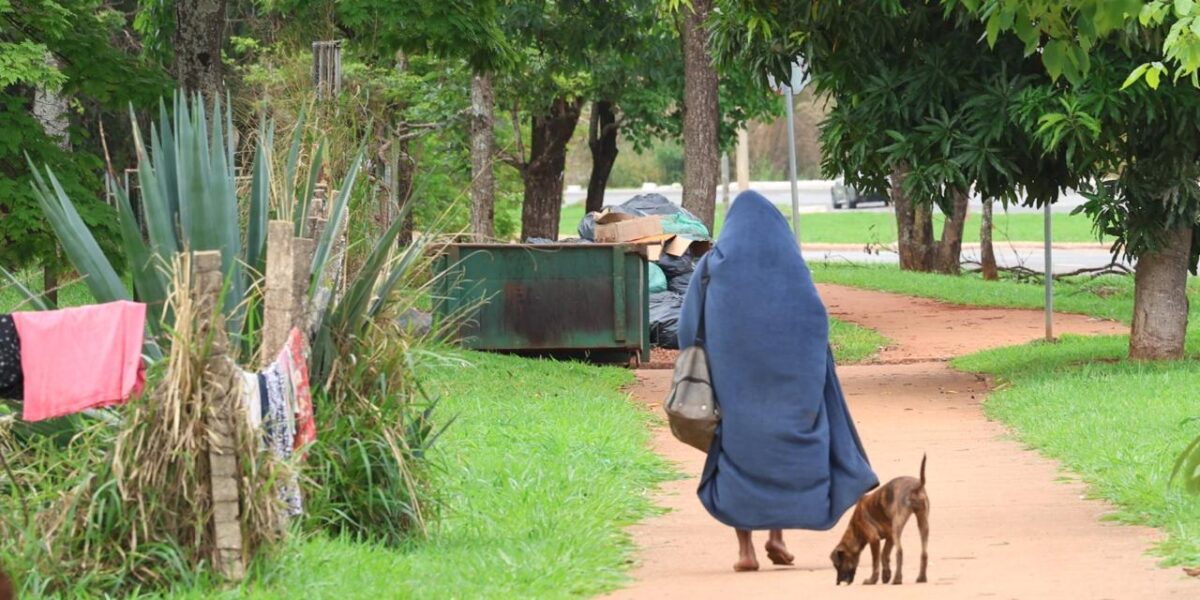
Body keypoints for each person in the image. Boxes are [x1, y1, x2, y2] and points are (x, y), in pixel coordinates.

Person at [677, 190, 879, 571]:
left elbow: (688, 327)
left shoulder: (711, 268)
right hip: (789, 384)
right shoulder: (791, 267)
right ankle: (777, 536)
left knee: (739, 456)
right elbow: (817, 320)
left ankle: (746, 550)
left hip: (733, 385)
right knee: (780, 453)